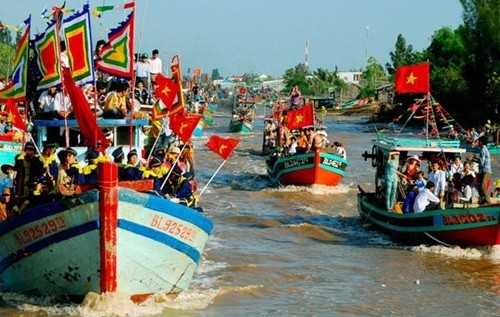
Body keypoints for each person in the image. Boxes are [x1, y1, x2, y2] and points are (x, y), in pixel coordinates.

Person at [477, 136, 492, 204]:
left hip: (485, 171)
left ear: (481, 142)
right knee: (481, 186)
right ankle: (484, 200)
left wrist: (473, 159)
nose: (478, 143)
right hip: (485, 171)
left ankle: (488, 201)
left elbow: (481, 162)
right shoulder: (486, 149)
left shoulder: (482, 150)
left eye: (478, 141)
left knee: (483, 186)